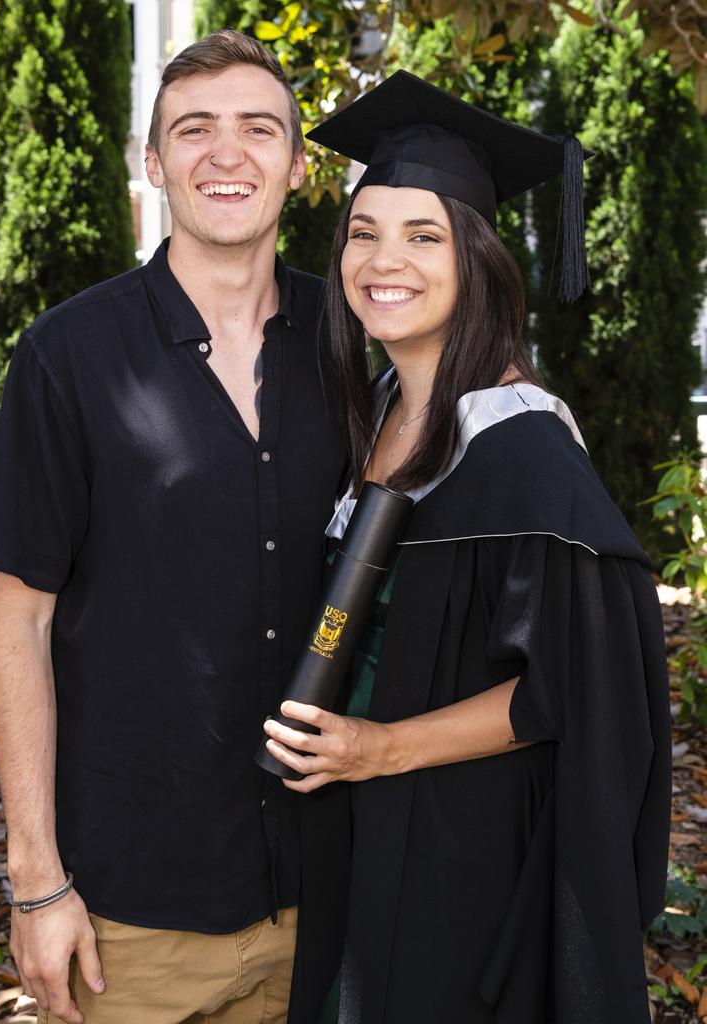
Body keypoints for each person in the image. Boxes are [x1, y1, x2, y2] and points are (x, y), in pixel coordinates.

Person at [261, 72, 671, 1024]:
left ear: (477, 258)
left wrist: (380, 749)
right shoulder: (381, 414)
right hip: (361, 833)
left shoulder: (521, 442)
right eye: (363, 232)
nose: (381, 260)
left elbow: (574, 685)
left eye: (423, 235)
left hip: (461, 851)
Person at [0, 30, 343, 1024]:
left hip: (330, 896)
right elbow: (19, 625)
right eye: (194, 130)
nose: (228, 155)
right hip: (131, 915)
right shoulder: (69, 357)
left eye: (259, 129)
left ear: (297, 167)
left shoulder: (355, 350)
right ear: (154, 162)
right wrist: (36, 877)